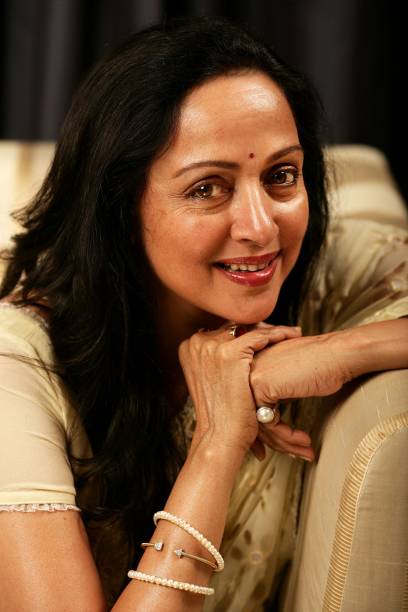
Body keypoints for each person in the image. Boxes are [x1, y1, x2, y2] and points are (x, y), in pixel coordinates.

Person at [0, 16, 407, 612]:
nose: (262, 226)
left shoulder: (333, 272)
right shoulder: (17, 366)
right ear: (119, 206)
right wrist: (219, 439)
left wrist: (345, 350)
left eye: (282, 176)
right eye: (206, 188)